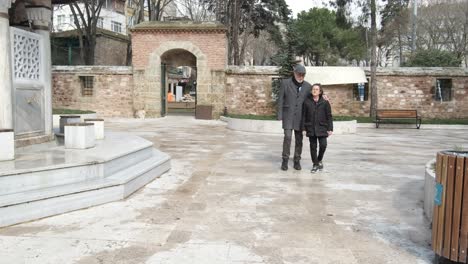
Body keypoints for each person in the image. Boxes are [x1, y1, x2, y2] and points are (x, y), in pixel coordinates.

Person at [278, 64, 312, 171]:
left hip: (300, 117)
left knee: (299, 139)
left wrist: (323, 95)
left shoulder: (307, 86)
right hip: (288, 115)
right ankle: (285, 160)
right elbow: (280, 100)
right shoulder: (285, 83)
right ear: (294, 73)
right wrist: (280, 115)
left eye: (303, 75)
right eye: (299, 74)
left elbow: (315, 93)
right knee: (287, 137)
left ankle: (297, 160)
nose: (301, 76)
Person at [302, 83, 333, 173]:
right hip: (310, 127)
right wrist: (303, 128)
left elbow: (329, 116)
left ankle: (319, 159)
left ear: (320, 92)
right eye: (313, 89)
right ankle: (315, 164)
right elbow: (304, 116)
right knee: (313, 147)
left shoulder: (325, 102)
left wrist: (330, 128)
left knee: (323, 145)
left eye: (316, 89)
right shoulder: (307, 102)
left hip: (322, 127)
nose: (314, 91)